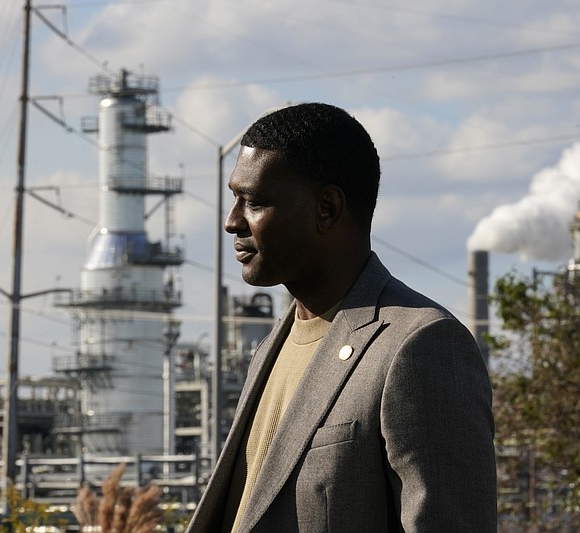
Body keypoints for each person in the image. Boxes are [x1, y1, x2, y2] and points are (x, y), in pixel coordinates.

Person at [187, 103, 497, 532]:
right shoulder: (273, 346)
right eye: (234, 199)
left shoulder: (420, 345)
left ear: (327, 209)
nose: (232, 222)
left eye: (254, 202)